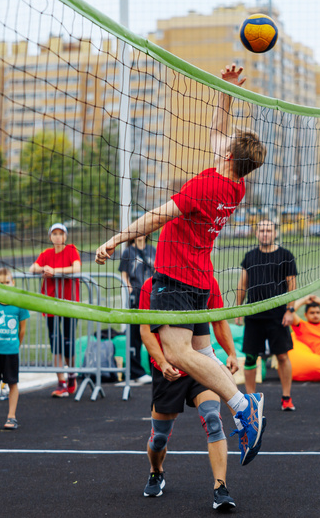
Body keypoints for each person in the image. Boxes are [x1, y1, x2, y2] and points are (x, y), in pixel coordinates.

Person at [95, 63, 266, 466]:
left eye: (224, 144)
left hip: (176, 278)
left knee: (177, 353)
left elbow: (157, 216)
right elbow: (218, 133)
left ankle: (243, 406)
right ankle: (246, 404)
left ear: (227, 155)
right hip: (199, 279)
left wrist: (119, 237)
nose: (219, 143)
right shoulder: (236, 182)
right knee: (205, 358)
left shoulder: (207, 183)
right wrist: (225, 90)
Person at [139, 275, 240, 510]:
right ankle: (156, 471)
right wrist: (163, 362)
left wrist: (231, 352)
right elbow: (145, 331)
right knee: (160, 436)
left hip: (200, 367)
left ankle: (220, 488)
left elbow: (219, 320)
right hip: (168, 369)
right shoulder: (151, 284)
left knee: (213, 421)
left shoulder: (206, 279)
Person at [235, 219, 298, 410]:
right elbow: (242, 284)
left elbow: (292, 285)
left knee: (282, 357)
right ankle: (251, 401)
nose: (265, 233)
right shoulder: (250, 256)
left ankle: (286, 397)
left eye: (268, 230)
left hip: (278, 315)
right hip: (254, 315)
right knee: (251, 357)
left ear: (275, 233)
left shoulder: (285, 255)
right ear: (256, 233)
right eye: (261, 230)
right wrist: (239, 310)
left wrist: (290, 310)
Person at [30, 222, 81, 398]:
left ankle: (72, 375)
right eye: (54, 233)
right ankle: (61, 382)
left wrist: (55, 271)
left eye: (60, 233)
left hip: (69, 303)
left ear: (65, 236)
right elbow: (32, 268)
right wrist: (43, 268)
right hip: (50, 304)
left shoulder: (71, 250)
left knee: (68, 343)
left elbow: (76, 268)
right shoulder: (46, 254)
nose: (58, 236)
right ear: (50, 237)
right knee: (56, 344)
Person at [0, 268, 29, 430]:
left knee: (12, 383)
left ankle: (11, 417)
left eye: (7, 282)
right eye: (0, 283)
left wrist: (16, 344)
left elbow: (22, 330)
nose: (4, 285)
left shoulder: (19, 304)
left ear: (13, 283)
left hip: (11, 351)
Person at [119, 235, 156, 385]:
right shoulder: (128, 252)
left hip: (151, 295)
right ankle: (136, 371)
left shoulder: (153, 250)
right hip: (136, 295)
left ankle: (155, 369)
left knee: (153, 331)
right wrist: (130, 290)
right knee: (135, 333)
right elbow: (124, 273)